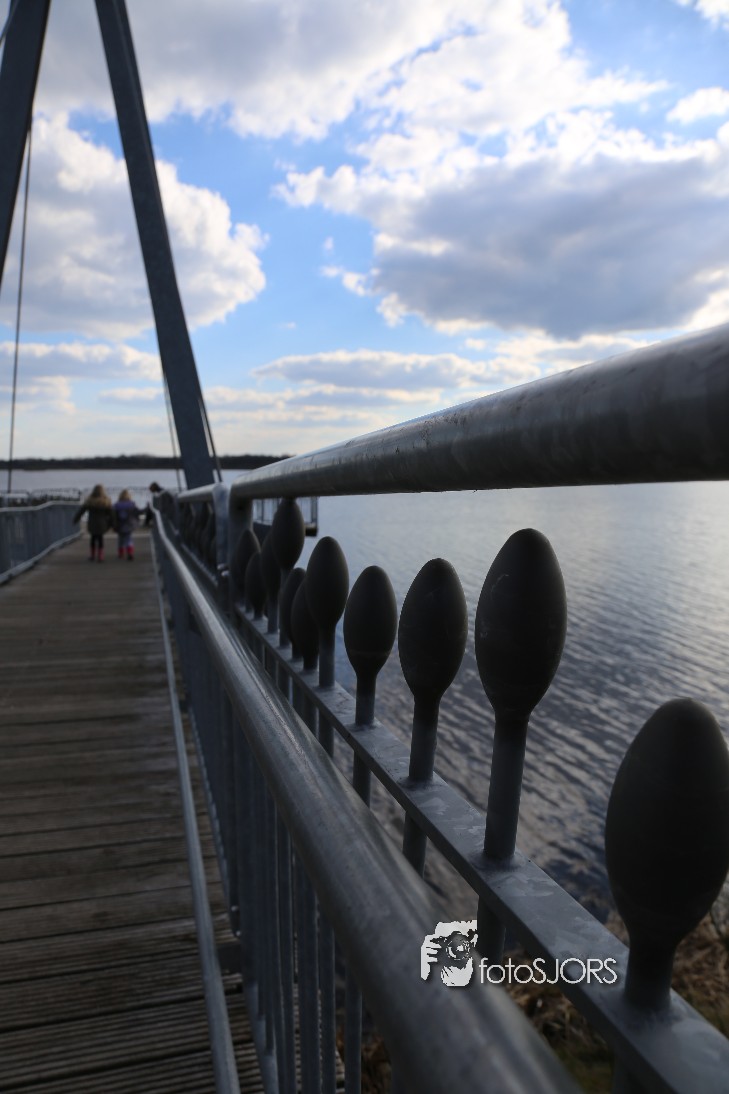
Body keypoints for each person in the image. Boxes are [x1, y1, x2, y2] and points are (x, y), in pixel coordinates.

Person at [73, 484, 113, 562]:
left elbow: (81, 511)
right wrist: (112, 524)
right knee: (100, 539)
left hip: (92, 523)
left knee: (93, 538)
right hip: (102, 524)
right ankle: (100, 556)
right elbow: (111, 514)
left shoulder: (90, 501)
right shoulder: (105, 501)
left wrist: (76, 519)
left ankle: (92, 555)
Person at [113, 489, 142, 561]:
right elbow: (138, 512)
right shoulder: (132, 504)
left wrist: (113, 524)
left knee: (120, 540)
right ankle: (130, 553)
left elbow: (113, 515)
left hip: (119, 525)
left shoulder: (116, 505)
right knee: (129, 539)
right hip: (129, 524)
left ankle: (121, 553)